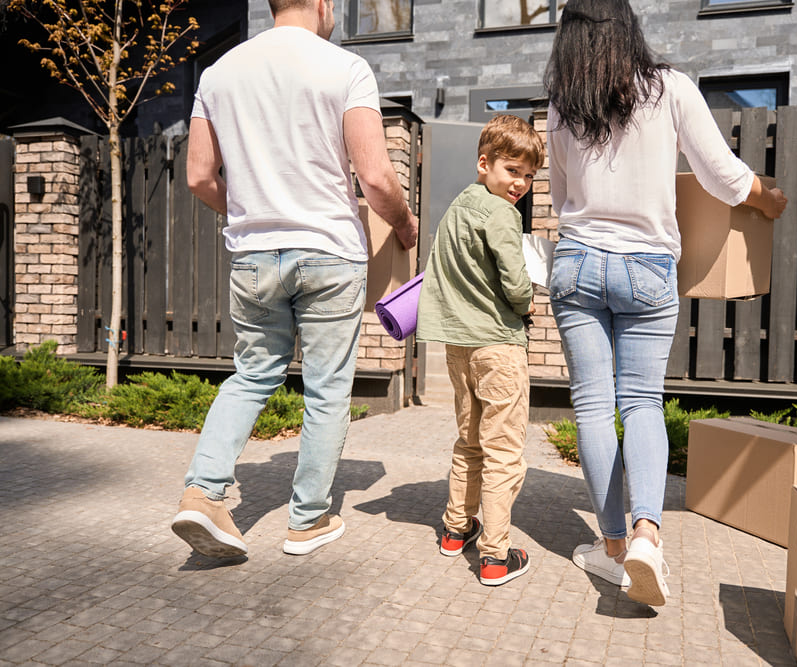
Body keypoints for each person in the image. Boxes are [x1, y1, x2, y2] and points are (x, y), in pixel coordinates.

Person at [543, 0, 787, 606]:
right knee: (643, 401)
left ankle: (612, 547)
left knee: (595, 408)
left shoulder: (562, 104)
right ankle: (648, 534)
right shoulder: (669, 88)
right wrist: (766, 199)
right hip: (647, 267)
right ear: (629, 27)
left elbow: (559, 193)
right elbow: (724, 177)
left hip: (576, 262)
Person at [170, 0, 418, 559]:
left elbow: (198, 176)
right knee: (327, 388)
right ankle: (307, 521)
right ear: (325, 4)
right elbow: (376, 176)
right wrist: (404, 223)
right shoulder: (345, 67)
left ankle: (201, 492)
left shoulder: (218, 72)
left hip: (254, 256)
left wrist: (253, 213)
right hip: (330, 252)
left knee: (252, 374)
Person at [416, 114, 543, 586]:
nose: (521, 184)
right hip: (499, 347)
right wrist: (529, 300)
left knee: (469, 441)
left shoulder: (458, 207)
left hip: (459, 347)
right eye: (513, 170)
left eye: (529, 175)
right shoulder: (502, 215)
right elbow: (514, 281)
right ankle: (495, 556)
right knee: (504, 450)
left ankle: (455, 529)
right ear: (484, 162)